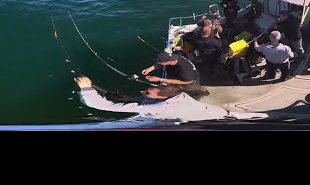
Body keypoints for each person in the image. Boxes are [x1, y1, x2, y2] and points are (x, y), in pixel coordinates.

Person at [74, 76, 268, 122]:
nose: (144, 92)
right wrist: (129, 97)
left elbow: (102, 105)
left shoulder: (161, 110)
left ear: (162, 98)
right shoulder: (179, 95)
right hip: (225, 114)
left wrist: (87, 88)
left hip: (212, 120)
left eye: (148, 93)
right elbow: (150, 98)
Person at [141, 50, 208, 97]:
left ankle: (203, 93)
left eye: (160, 63)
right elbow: (160, 63)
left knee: (192, 90)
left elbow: (187, 81)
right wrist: (150, 68)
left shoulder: (185, 71)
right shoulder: (175, 56)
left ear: (167, 62)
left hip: (190, 80)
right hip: (179, 75)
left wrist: (160, 79)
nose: (158, 64)